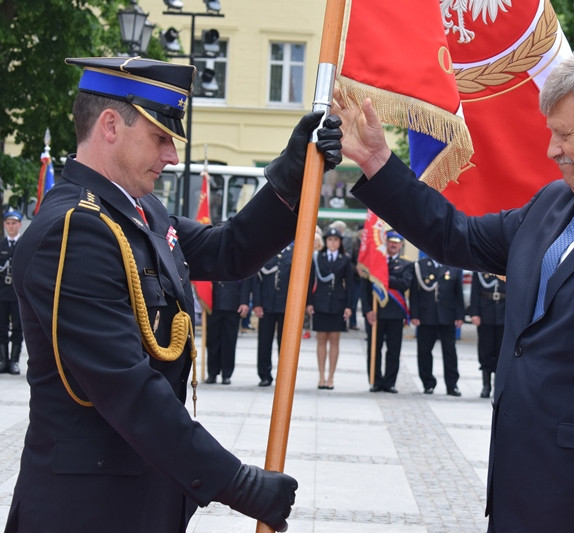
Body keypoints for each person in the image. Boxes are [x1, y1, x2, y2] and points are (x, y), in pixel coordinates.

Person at [336, 47, 574, 532]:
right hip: (524, 498)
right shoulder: (555, 203)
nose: (551, 149)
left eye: (564, 134)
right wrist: (376, 159)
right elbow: (459, 237)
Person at [6, 56, 342, 532]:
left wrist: (290, 176)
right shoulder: (73, 231)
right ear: (109, 126)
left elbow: (229, 251)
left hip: (141, 499)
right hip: (88, 510)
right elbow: (129, 391)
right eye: (160, 138)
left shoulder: (140, 212)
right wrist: (237, 483)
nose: (172, 156)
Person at [363, 230, 412, 393]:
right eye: (390, 242)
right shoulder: (375, 262)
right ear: (386, 243)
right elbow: (364, 289)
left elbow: (404, 283)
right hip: (375, 314)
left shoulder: (406, 264)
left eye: (396, 243)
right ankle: (375, 381)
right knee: (374, 348)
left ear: (401, 245)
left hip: (395, 313)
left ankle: (390, 382)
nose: (393, 245)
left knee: (393, 349)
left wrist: (383, 277)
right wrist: (367, 310)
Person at [409, 256, 465, 396]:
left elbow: (458, 293)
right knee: (424, 352)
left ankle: (452, 385)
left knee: (450, 352)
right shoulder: (420, 265)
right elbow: (414, 292)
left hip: (447, 316)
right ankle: (428, 383)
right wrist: (414, 314)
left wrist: (460, 315)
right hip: (426, 316)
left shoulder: (453, 264)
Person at [307, 227, 354, 390]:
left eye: (336, 240)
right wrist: (309, 302)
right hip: (320, 302)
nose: (332, 243)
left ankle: (331, 377)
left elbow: (350, 284)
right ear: (325, 241)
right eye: (329, 240)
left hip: (338, 304)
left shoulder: (345, 259)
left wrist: (349, 306)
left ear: (340, 242)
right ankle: (321, 376)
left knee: (334, 340)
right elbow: (310, 281)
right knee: (321, 339)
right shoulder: (317, 257)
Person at [252, 244, 293, 386]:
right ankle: (264, 375)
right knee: (264, 342)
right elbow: (256, 279)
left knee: (286, 344)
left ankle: (284, 377)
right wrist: (257, 303)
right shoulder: (268, 249)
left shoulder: (294, 251)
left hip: (287, 306)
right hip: (267, 304)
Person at [204, 278, 250, 385]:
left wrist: (244, 302)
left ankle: (227, 374)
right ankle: (212, 373)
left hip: (233, 304)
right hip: (213, 302)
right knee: (212, 341)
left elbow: (246, 279)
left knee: (229, 341)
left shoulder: (239, 261)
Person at [469, 272, 506, 399]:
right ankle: (486, 386)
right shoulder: (481, 268)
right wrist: (474, 313)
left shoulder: (508, 265)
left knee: (502, 352)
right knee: (485, 350)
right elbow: (475, 292)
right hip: (486, 313)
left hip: (504, 314)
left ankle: (498, 385)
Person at [0, 210, 23, 375]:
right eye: (8, 223)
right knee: (1, 328)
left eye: (14, 223)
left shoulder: (24, 243)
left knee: (17, 327)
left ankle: (14, 361)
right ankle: (3, 361)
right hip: (2, 293)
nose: (11, 226)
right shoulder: (1, 245)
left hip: (17, 294)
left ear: (20, 224)